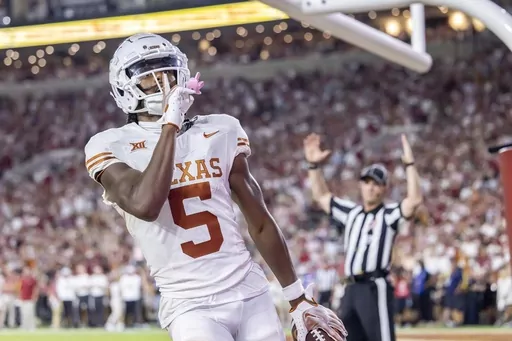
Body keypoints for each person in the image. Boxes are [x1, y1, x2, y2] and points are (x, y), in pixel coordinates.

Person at [84, 33, 346, 341]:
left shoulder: (220, 128)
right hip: (189, 304)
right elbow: (146, 205)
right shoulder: (110, 144)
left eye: (167, 72)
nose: (163, 83)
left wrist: (297, 297)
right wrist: (170, 126)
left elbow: (259, 221)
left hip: (250, 291)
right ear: (124, 89)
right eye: (149, 77)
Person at [304, 133, 423, 341]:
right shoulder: (352, 213)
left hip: (373, 285)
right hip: (350, 288)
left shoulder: (388, 215)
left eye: (376, 183)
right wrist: (314, 167)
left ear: (384, 188)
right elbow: (322, 197)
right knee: (346, 337)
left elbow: (413, 201)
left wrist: (410, 164)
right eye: (366, 182)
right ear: (360, 185)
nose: (370, 187)